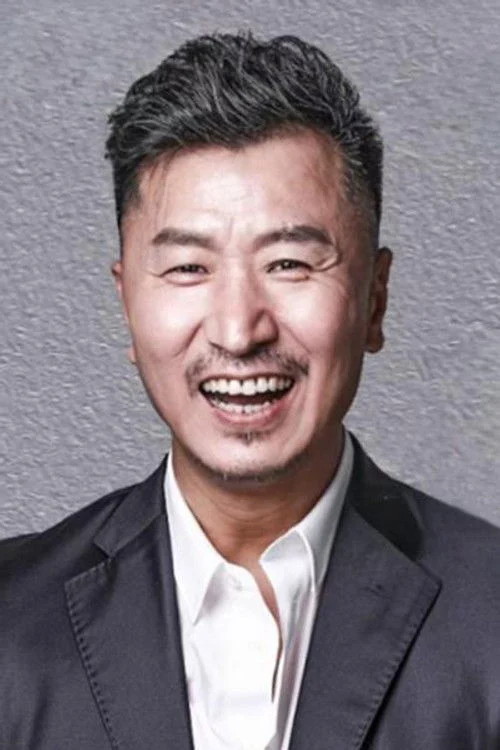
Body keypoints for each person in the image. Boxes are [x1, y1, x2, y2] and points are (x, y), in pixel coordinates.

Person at [1, 32, 499, 750]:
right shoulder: (13, 621)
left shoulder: (488, 616)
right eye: (187, 268)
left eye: (289, 263)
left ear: (375, 299)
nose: (238, 331)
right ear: (127, 302)